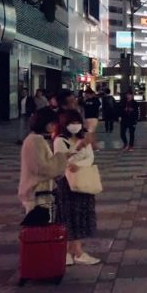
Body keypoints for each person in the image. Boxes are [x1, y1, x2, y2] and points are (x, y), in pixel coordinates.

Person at [53, 109, 100, 265]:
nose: (75, 126)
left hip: (83, 181)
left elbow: (90, 158)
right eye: (71, 123)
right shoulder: (60, 140)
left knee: (79, 216)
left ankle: (72, 251)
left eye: (77, 122)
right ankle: (75, 252)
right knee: (68, 216)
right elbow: (63, 161)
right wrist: (77, 151)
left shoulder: (83, 138)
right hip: (67, 183)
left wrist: (78, 165)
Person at [18, 107, 70, 213]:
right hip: (36, 192)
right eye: (52, 123)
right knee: (39, 227)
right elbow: (43, 168)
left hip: (39, 191)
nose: (54, 126)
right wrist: (61, 158)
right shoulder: (35, 141)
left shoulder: (36, 139)